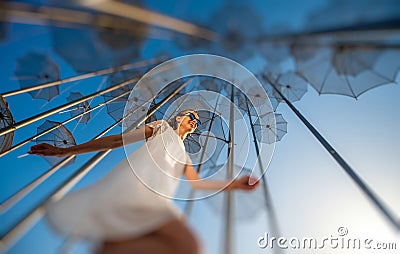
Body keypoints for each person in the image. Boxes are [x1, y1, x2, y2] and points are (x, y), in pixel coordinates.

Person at [29, 109, 259, 254]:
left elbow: (197, 183)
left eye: (198, 121)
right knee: (189, 247)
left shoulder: (185, 156)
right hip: (136, 192)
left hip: (158, 200)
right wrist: (65, 151)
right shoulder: (161, 128)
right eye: (192, 116)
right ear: (179, 117)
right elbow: (118, 140)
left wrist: (234, 184)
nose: (196, 121)